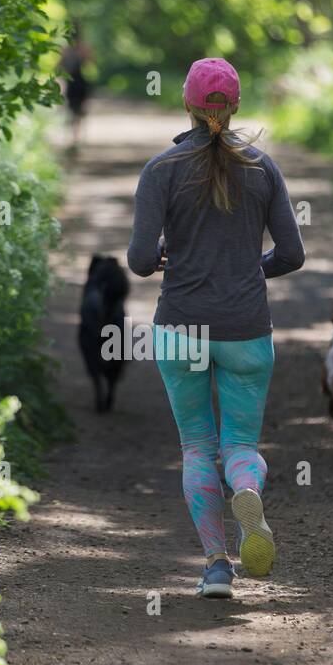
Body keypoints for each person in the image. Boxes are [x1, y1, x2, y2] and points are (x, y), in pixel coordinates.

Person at [127, 57, 305, 599]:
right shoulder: (263, 169)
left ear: (186, 103)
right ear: (235, 107)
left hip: (181, 329)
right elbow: (292, 254)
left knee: (198, 446)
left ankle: (216, 568)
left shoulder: (161, 170)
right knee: (240, 444)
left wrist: (163, 254)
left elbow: (137, 261)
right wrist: (252, 269)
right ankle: (247, 489)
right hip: (246, 329)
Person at [58, 29, 92, 151]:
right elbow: (90, 64)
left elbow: (59, 67)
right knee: (78, 111)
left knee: (73, 110)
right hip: (80, 82)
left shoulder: (65, 50)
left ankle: (73, 138)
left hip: (72, 83)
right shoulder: (83, 48)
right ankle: (75, 138)